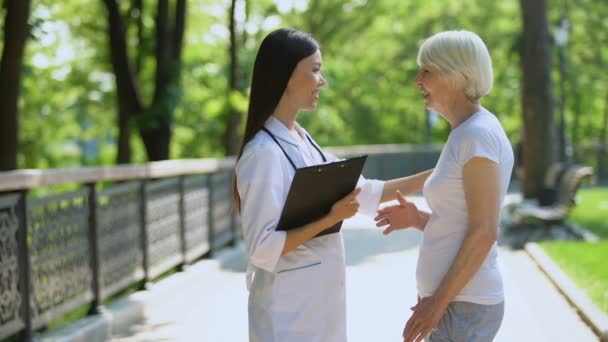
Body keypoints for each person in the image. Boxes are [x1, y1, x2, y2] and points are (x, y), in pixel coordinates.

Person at [233, 28, 432, 342]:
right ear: (285, 76)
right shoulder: (263, 154)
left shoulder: (303, 140)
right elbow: (262, 248)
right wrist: (330, 218)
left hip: (317, 310)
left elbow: (365, 193)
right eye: (315, 70)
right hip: (287, 318)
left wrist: (435, 174)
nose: (322, 81)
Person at [375, 30, 514, 342]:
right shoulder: (466, 133)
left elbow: (484, 233)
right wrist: (418, 219)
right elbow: (462, 226)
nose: (417, 79)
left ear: (460, 75)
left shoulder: (476, 135)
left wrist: (436, 306)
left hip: (463, 306)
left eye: (427, 70)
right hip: (459, 305)